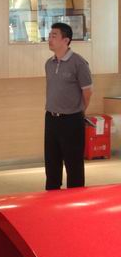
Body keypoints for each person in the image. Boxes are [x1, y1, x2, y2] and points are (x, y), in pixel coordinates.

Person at [44, 22, 92, 190]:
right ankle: (51, 196)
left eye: (54, 36)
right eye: (49, 36)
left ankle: (75, 199)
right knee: (51, 162)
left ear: (66, 40)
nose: (50, 39)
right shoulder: (49, 63)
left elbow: (87, 92)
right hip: (51, 118)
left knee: (74, 165)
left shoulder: (79, 62)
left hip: (72, 120)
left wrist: (79, 111)